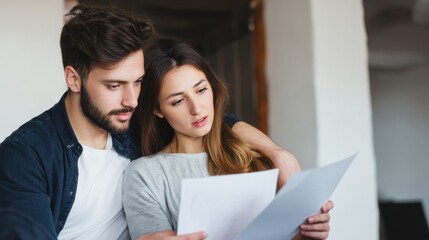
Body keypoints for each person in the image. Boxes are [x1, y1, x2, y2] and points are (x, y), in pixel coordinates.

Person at [0, 4, 329, 240]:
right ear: (74, 79)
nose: (131, 99)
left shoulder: (130, 127)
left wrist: (279, 154)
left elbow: (217, 123)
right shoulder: (25, 156)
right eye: (114, 86)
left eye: (139, 82)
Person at [123, 38, 332, 240]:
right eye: (178, 101)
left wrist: (307, 232)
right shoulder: (145, 175)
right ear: (157, 109)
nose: (197, 109)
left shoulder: (249, 154)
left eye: (201, 90)